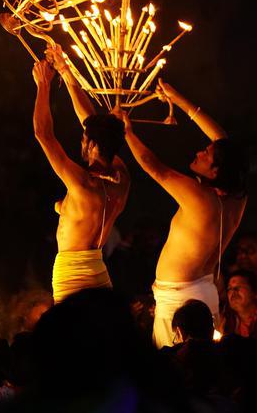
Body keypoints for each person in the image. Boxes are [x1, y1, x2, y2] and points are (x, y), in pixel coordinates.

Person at [120, 80, 248, 347]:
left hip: (180, 301)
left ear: (215, 172)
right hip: (205, 292)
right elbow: (222, 140)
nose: (200, 151)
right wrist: (178, 99)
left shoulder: (202, 197)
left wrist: (127, 132)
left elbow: (155, 168)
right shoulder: (238, 196)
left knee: (177, 372)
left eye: (206, 154)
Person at [32, 53, 129, 302]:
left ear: (92, 144)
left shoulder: (82, 183)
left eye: (85, 138)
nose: (81, 140)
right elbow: (91, 123)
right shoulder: (122, 176)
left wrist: (43, 85)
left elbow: (43, 133)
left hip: (73, 274)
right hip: (98, 268)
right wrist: (66, 72)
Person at [224, 270, 257, 338]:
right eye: (229, 289)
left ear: (254, 293)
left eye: (238, 287)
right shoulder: (225, 324)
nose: (233, 292)